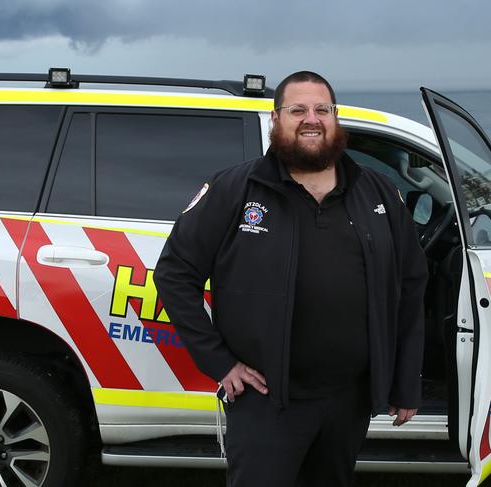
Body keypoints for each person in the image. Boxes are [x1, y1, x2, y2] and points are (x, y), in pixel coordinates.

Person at [153, 71, 428, 487]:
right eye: (297, 110)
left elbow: (410, 286)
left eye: (322, 110)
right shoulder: (236, 189)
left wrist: (404, 383)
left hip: (348, 401)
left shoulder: (379, 192)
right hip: (266, 402)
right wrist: (220, 362)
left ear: (336, 119)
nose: (311, 119)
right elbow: (174, 273)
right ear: (275, 120)